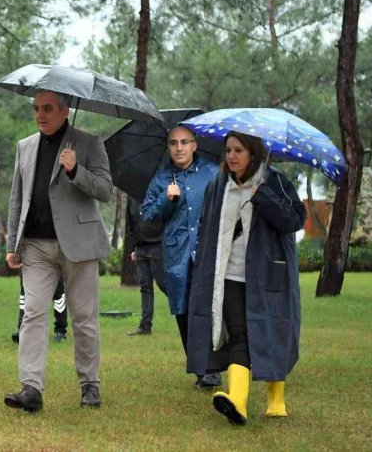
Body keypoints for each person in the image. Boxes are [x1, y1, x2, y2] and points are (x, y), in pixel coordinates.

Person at [4, 90, 113, 412]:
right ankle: (31, 389)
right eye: (37, 108)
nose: (40, 114)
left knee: (84, 318)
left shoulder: (89, 143)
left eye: (48, 108)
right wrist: (12, 243)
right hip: (35, 246)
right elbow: (17, 198)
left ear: (65, 111)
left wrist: (76, 170)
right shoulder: (25, 146)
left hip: (79, 246)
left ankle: (90, 384)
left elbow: (105, 190)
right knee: (33, 313)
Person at [187, 132, 305, 426]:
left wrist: (265, 196)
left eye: (238, 150)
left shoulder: (275, 181)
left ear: (253, 153)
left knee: (272, 331)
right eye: (228, 150)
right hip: (229, 274)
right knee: (239, 335)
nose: (231, 156)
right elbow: (206, 225)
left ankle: (276, 401)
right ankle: (237, 401)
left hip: (268, 275)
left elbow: (295, 220)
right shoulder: (218, 184)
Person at [141, 125, 221, 387]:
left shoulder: (212, 173)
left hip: (207, 251)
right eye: (173, 143)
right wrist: (166, 198)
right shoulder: (162, 179)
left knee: (208, 308)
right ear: (168, 147)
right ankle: (200, 369)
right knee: (183, 310)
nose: (179, 148)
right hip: (176, 255)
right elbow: (147, 215)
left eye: (185, 142)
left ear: (194, 145)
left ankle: (213, 368)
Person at [125, 197, 165, 336]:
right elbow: (130, 224)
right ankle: (145, 326)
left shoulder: (157, 193)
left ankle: (187, 316)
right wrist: (133, 248)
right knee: (145, 287)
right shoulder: (131, 199)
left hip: (157, 246)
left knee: (165, 284)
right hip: (140, 248)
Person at [12, 273, 67, 343]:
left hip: (54, 268)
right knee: (26, 294)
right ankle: (23, 329)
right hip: (29, 267)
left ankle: (60, 330)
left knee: (58, 292)